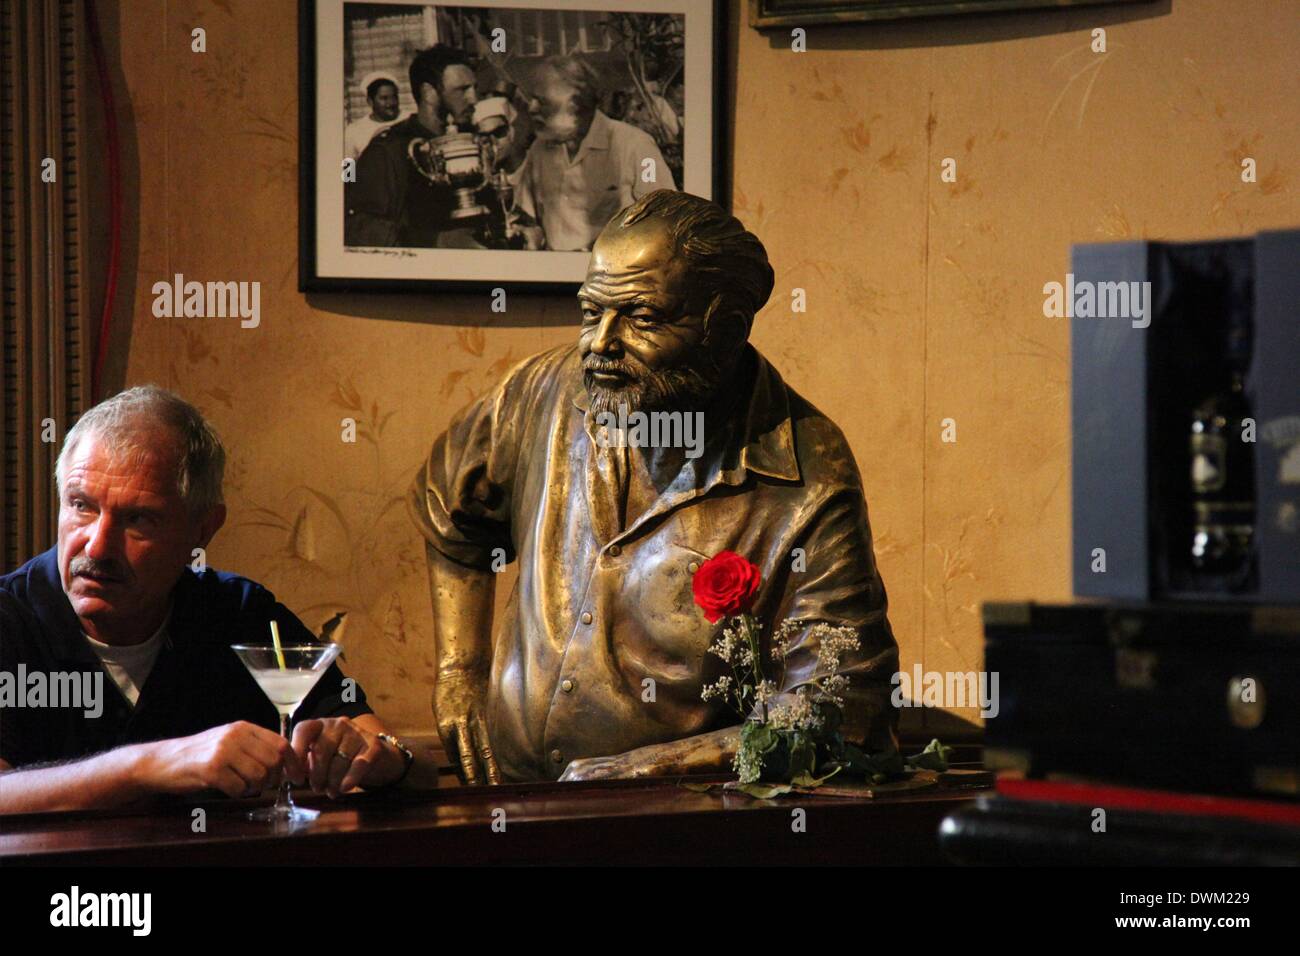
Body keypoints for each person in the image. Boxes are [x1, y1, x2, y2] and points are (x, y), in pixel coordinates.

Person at [409, 190, 899, 784]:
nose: (599, 344)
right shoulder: (546, 389)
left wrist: (646, 770)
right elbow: (450, 507)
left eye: (642, 317)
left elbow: (841, 707)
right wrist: (460, 669)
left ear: (727, 327)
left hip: (680, 832)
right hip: (508, 804)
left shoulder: (807, 472)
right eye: (592, 313)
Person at [0, 387, 413, 813]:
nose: (98, 546)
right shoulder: (11, 621)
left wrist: (379, 758)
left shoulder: (239, 614)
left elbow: (401, 760)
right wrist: (152, 762)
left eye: (137, 519)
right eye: (82, 506)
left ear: (203, 529)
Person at [513, 55, 676, 252]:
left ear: (574, 104)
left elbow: (665, 219)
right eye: (531, 100)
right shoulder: (540, 149)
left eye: (542, 101)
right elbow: (527, 217)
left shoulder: (635, 146)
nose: (532, 108)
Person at [345, 45, 484, 248]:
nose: (474, 99)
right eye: (463, 90)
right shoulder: (388, 149)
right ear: (429, 93)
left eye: (475, 89)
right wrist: (437, 241)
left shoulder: (471, 141)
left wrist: (525, 225)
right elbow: (357, 226)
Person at [344, 72, 401, 162]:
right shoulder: (353, 131)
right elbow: (348, 172)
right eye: (384, 98)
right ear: (370, 101)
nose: (391, 103)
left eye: (394, 97)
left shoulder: (410, 119)